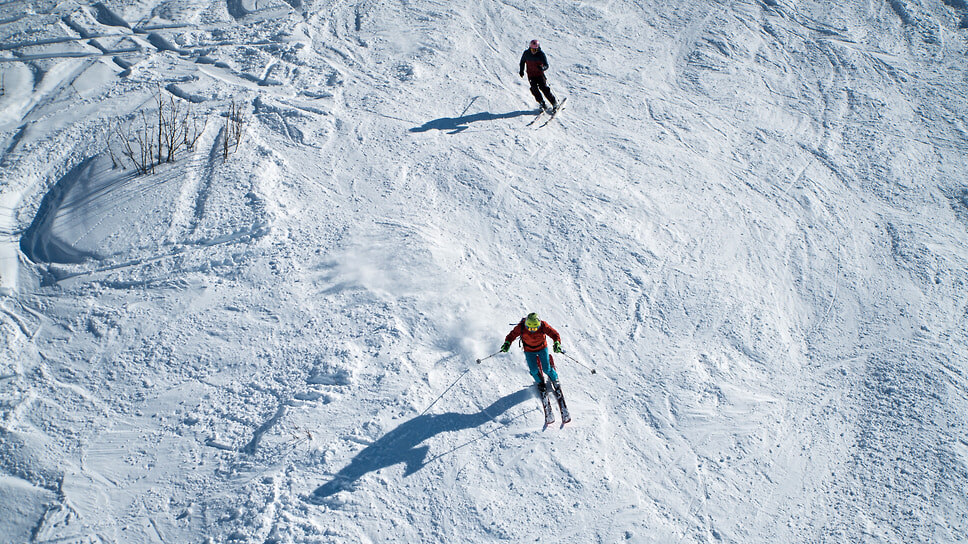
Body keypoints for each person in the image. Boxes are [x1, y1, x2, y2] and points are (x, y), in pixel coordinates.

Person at [500, 312, 568, 419]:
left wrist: (557, 343)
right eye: (530, 328)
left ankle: (554, 379)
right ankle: (540, 383)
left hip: (542, 348)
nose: (532, 330)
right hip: (529, 351)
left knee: (546, 369)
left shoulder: (543, 325)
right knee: (533, 371)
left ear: (539, 324)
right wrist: (507, 343)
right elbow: (511, 335)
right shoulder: (521, 327)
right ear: (526, 324)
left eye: (535, 328)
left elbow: (554, 334)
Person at [519, 39, 558, 112]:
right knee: (534, 89)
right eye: (532, 49)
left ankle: (554, 103)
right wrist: (521, 71)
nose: (533, 51)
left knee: (544, 88)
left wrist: (542, 68)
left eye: (535, 50)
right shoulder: (526, 53)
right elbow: (522, 62)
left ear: (538, 49)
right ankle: (541, 102)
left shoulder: (541, 54)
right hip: (531, 75)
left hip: (539, 74)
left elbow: (546, 65)